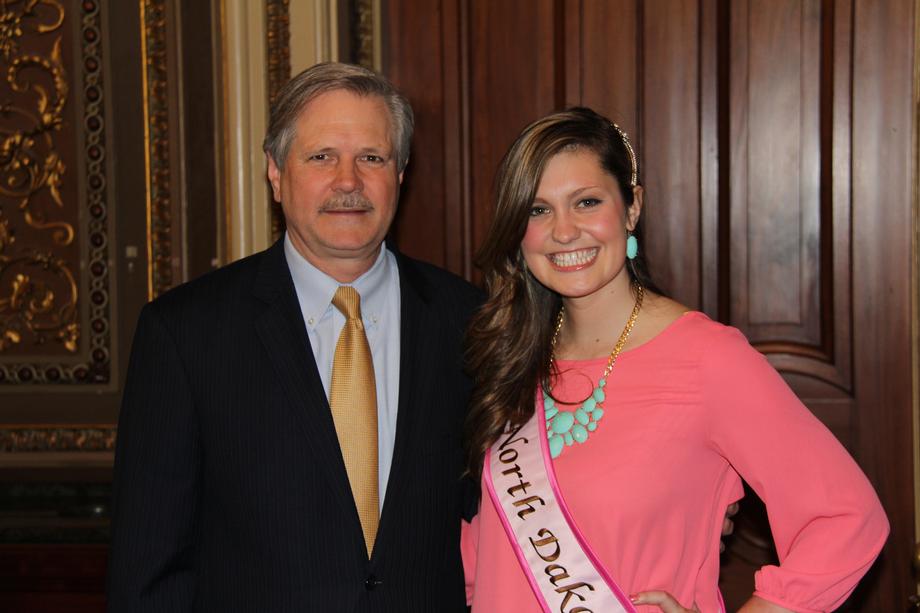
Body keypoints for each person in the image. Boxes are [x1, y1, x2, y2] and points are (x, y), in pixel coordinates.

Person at [461, 107, 888, 612]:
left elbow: (848, 518)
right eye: (538, 210)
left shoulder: (707, 360)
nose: (564, 231)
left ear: (632, 207)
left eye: (587, 202)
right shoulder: (513, 356)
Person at [107, 62, 480, 612]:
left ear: (400, 174)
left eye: (371, 158)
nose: (348, 181)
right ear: (276, 173)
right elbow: (149, 568)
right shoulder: (185, 334)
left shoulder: (473, 322)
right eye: (321, 156)